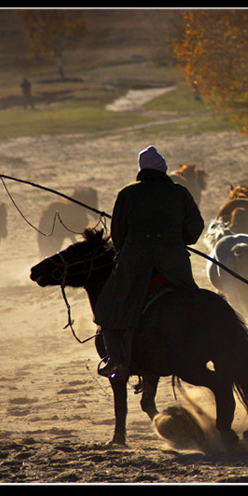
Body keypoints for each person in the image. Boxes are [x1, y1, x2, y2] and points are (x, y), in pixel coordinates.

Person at [94, 146, 205, 380]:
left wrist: (132, 249)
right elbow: (195, 228)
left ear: (141, 171)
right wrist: (177, 241)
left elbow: (118, 236)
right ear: (163, 169)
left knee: (106, 307)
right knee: (197, 302)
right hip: (175, 266)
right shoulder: (180, 192)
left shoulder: (127, 194)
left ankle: (116, 360)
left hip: (135, 266)